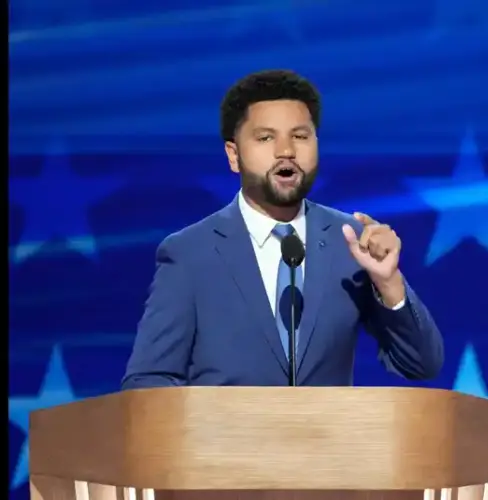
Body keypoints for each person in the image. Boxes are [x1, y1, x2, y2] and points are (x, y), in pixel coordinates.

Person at [121, 69, 444, 388]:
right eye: (265, 138)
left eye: (300, 136)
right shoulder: (190, 254)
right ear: (234, 155)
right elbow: (148, 381)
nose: (286, 151)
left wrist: (388, 282)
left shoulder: (349, 243)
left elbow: (421, 364)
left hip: (326, 440)